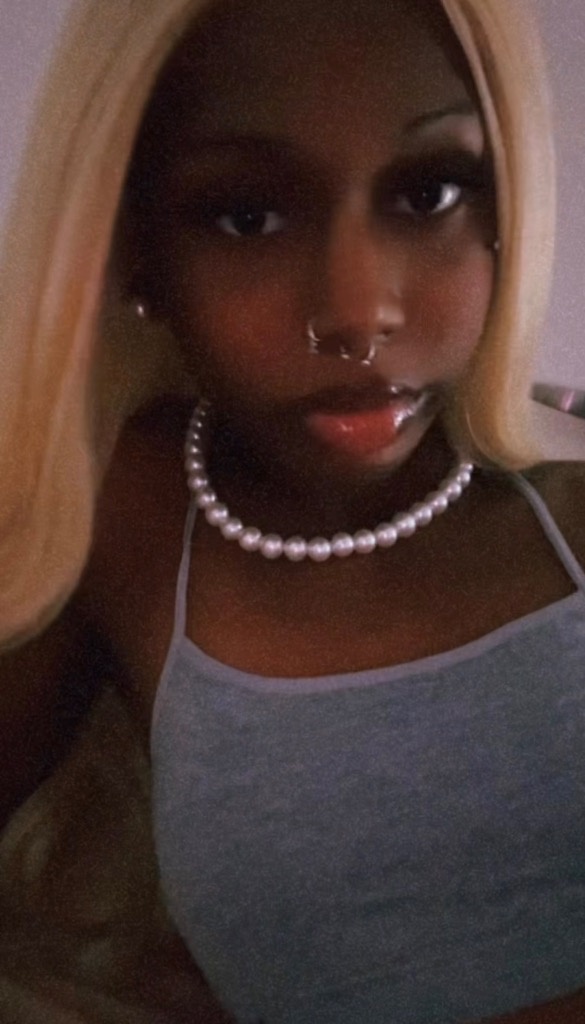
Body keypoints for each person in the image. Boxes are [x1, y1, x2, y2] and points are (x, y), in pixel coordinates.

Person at [0, 0, 584, 1021]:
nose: (359, 312)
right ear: (133, 248)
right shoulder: (121, 521)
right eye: (247, 217)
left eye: (430, 192)